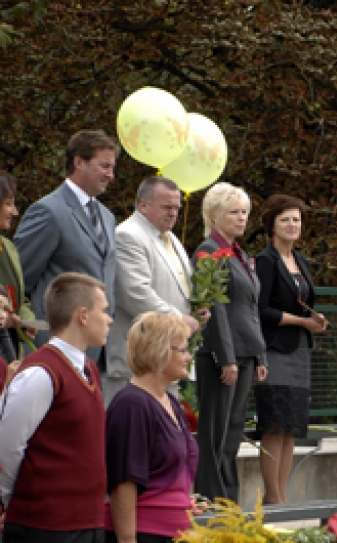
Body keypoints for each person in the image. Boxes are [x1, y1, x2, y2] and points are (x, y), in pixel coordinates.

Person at [0, 272, 112, 543]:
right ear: (82, 315)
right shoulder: (40, 373)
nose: (110, 318)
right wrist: (23, 499)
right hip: (46, 527)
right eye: (104, 310)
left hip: (85, 525)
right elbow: (8, 447)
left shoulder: (88, 371)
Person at [88, 312, 198, 543]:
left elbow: (169, 471)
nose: (187, 356)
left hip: (169, 539)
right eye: (182, 349)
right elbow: (124, 480)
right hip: (141, 541)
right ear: (160, 351)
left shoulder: (168, 400)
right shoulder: (133, 404)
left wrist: (184, 502)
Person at [14, 130, 119, 364]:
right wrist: (32, 328)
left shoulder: (107, 217)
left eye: (112, 167)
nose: (111, 175)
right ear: (79, 162)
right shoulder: (49, 212)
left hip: (96, 351)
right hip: (54, 346)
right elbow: (19, 281)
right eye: (104, 166)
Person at [192, 183, 267, 503]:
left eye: (245, 213)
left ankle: (228, 499)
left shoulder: (240, 254)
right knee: (215, 432)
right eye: (234, 212)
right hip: (224, 356)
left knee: (233, 430)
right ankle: (212, 497)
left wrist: (260, 355)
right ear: (213, 215)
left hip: (246, 351)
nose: (242, 218)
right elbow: (215, 308)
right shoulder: (209, 251)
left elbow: (249, 307)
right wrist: (226, 357)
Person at [254, 194, 328, 504]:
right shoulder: (265, 261)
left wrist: (314, 319)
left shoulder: (302, 262)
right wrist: (301, 321)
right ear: (272, 224)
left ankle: (282, 495)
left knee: (290, 428)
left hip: (299, 351)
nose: (292, 224)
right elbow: (261, 309)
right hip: (274, 350)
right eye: (285, 219)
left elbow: (304, 303)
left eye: (296, 219)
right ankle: (273, 498)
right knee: (273, 425)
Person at [106, 177, 202, 403]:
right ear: (143, 205)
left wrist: (196, 310)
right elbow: (135, 294)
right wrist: (180, 319)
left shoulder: (171, 238)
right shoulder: (127, 235)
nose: (173, 213)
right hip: (139, 362)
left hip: (166, 359)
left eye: (177, 208)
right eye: (166, 207)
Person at [0, 173, 37, 357]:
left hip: (11, 353)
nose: (15, 212)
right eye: (8, 204)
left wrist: (26, 321)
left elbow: (20, 300)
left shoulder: (9, 248)